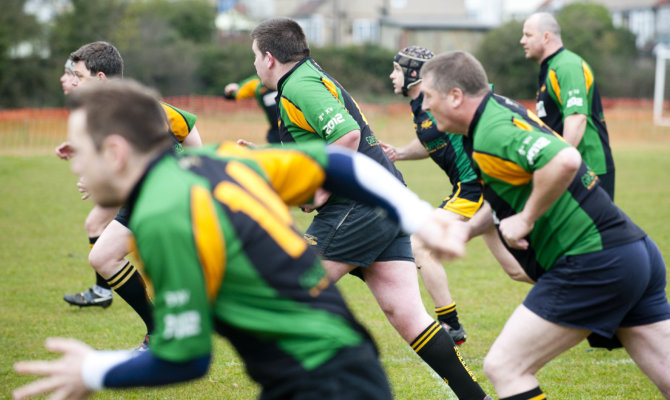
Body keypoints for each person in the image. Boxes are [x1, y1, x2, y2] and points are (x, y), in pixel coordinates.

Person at [13, 79, 470, 400]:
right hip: (332, 369)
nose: (72, 163)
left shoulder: (164, 219)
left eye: (78, 149)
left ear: (115, 152)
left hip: (320, 381)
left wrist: (92, 369)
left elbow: (185, 357)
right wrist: (419, 215)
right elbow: (342, 166)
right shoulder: (225, 160)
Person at [250, 18, 491, 400]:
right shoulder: (308, 78)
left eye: (254, 57)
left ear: (268, 57)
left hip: (358, 203)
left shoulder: (299, 84)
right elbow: (317, 145)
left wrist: (320, 190)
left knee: (287, 293)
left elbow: (346, 135)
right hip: (383, 197)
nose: (255, 66)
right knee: (407, 315)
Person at [420, 50, 670, 400]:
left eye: (428, 97)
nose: (425, 108)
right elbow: (506, 190)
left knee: (505, 367)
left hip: (593, 262)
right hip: (632, 252)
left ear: (456, 96)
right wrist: (467, 230)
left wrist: (526, 218)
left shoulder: (491, 130)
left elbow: (565, 159)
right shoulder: (493, 115)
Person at [56, 41, 203, 349]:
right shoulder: (119, 104)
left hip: (163, 192)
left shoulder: (125, 108)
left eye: (79, 76)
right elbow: (185, 128)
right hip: (150, 192)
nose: (74, 82)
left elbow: (133, 157)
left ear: (98, 78)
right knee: (104, 256)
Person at [382, 46, 532, 342]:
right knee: (516, 270)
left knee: (419, 242)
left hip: (474, 190)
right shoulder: (424, 106)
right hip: (475, 191)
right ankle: (585, 288)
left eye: (396, 70)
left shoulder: (446, 103)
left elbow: (483, 106)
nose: (391, 75)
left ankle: (451, 326)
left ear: (414, 74)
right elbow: (432, 140)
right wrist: (399, 152)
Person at [521, 12, 615, 199]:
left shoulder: (567, 66)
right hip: (571, 169)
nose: (522, 41)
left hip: (588, 169)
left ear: (546, 36)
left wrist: (559, 163)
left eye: (528, 35)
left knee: (593, 229)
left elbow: (576, 118)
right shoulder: (551, 68)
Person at [223, 75, 280, 144]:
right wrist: (229, 91)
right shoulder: (255, 83)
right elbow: (233, 95)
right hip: (276, 132)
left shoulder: (290, 76)